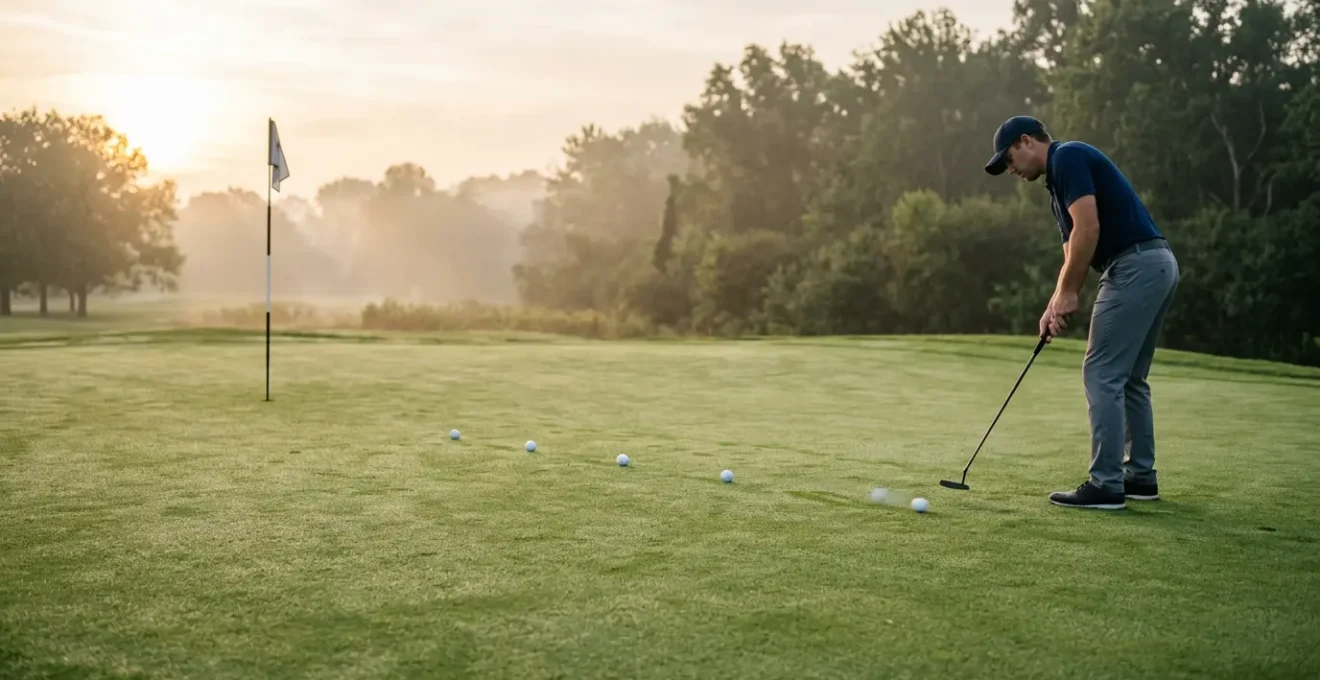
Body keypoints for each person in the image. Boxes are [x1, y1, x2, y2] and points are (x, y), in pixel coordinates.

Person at [983, 116, 1179, 510]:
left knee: (1101, 372)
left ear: (1026, 142)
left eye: (1009, 160)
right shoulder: (1056, 185)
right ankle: (1139, 477)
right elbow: (1073, 248)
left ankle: (1106, 484)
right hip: (1155, 264)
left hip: (1134, 265)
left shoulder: (1067, 157)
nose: (1011, 170)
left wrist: (1071, 292)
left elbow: (1088, 229)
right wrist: (1057, 299)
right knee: (1129, 378)